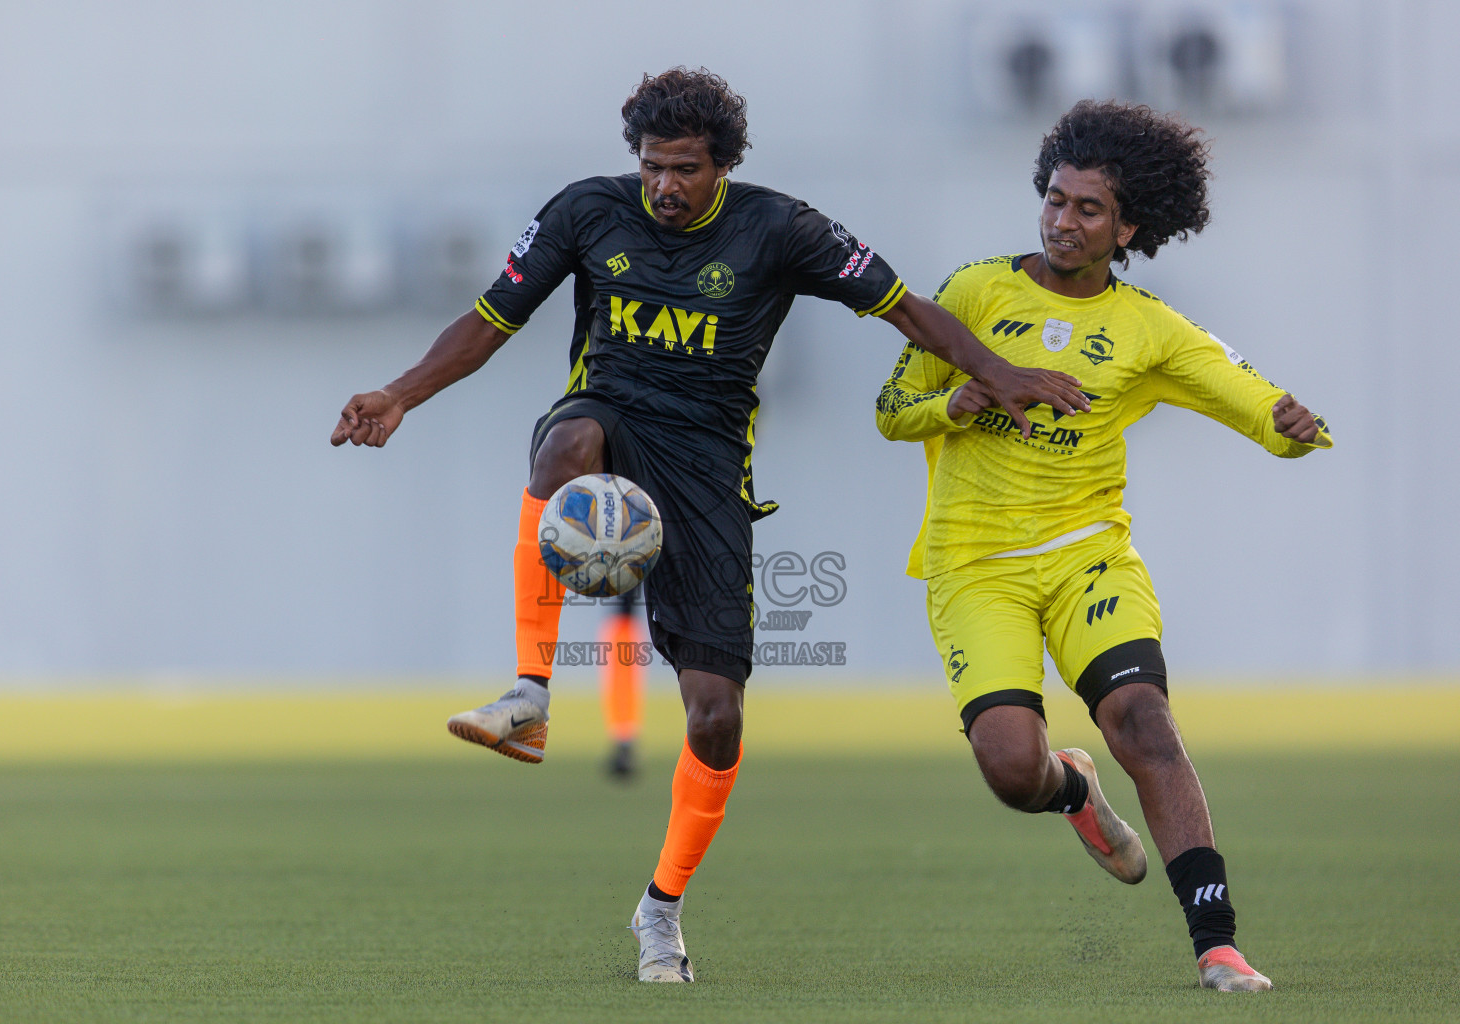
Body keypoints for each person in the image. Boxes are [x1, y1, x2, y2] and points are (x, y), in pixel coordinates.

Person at [332, 67, 1089, 984]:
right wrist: (398, 395)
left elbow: (905, 309)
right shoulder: (586, 212)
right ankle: (529, 697)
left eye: (684, 168)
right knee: (564, 443)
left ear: (721, 165)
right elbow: (492, 321)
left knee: (716, 718)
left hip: (707, 470)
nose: (664, 186)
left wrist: (1000, 373)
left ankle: (661, 911)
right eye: (652, 166)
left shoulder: (782, 228)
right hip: (612, 415)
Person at [876, 99, 1332, 993]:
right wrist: (953, 403)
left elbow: (1243, 394)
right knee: (1012, 769)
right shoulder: (972, 292)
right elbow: (891, 411)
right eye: (1055, 198)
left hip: (1088, 557)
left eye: (1089, 209)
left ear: (1129, 228)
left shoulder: (1148, 328)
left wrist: (1288, 424)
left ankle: (1218, 946)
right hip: (973, 568)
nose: (1063, 220)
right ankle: (1073, 792)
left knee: (1143, 722)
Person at [599, 588, 646, 779]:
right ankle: (624, 743)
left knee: (622, 685)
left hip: (624, 626)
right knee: (621, 686)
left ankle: (624, 744)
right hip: (622, 625)